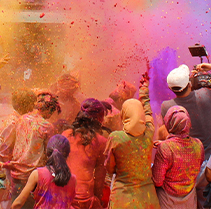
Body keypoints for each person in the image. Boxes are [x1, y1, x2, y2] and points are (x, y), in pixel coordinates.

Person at [104, 74, 160, 209]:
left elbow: (110, 169)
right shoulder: (149, 133)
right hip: (148, 199)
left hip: (123, 199)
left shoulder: (116, 137)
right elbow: (148, 113)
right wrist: (144, 90)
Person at [159, 63, 211, 208]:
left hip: (188, 167)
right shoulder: (206, 95)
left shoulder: (167, 106)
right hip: (209, 162)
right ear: (189, 83)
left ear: (170, 88)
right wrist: (208, 70)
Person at [6, 92, 61, 209]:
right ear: (50, 109)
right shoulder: (46, 126)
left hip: (16, 173)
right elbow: (50, 153)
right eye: (52, 112)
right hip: (33, 176)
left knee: (16, 204)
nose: (51, 116)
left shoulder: (21, 119)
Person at [152, 105, 204, 208]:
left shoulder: (165, 148)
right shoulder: (198, 145)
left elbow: (157, 181)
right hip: (190, 201)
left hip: (168, 201)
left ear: (168, 122)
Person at [62, 98, 107, 209]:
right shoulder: (101, 141)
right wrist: (97, 199)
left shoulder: (66, 135)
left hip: (63, 195)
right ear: (99, 119)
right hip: (84, 198)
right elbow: (99, 177)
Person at [12, 134, 76, 209]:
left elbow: (18, 204)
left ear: (47, 153)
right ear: (67, 155)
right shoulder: (73, 179)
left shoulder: (38, 174)